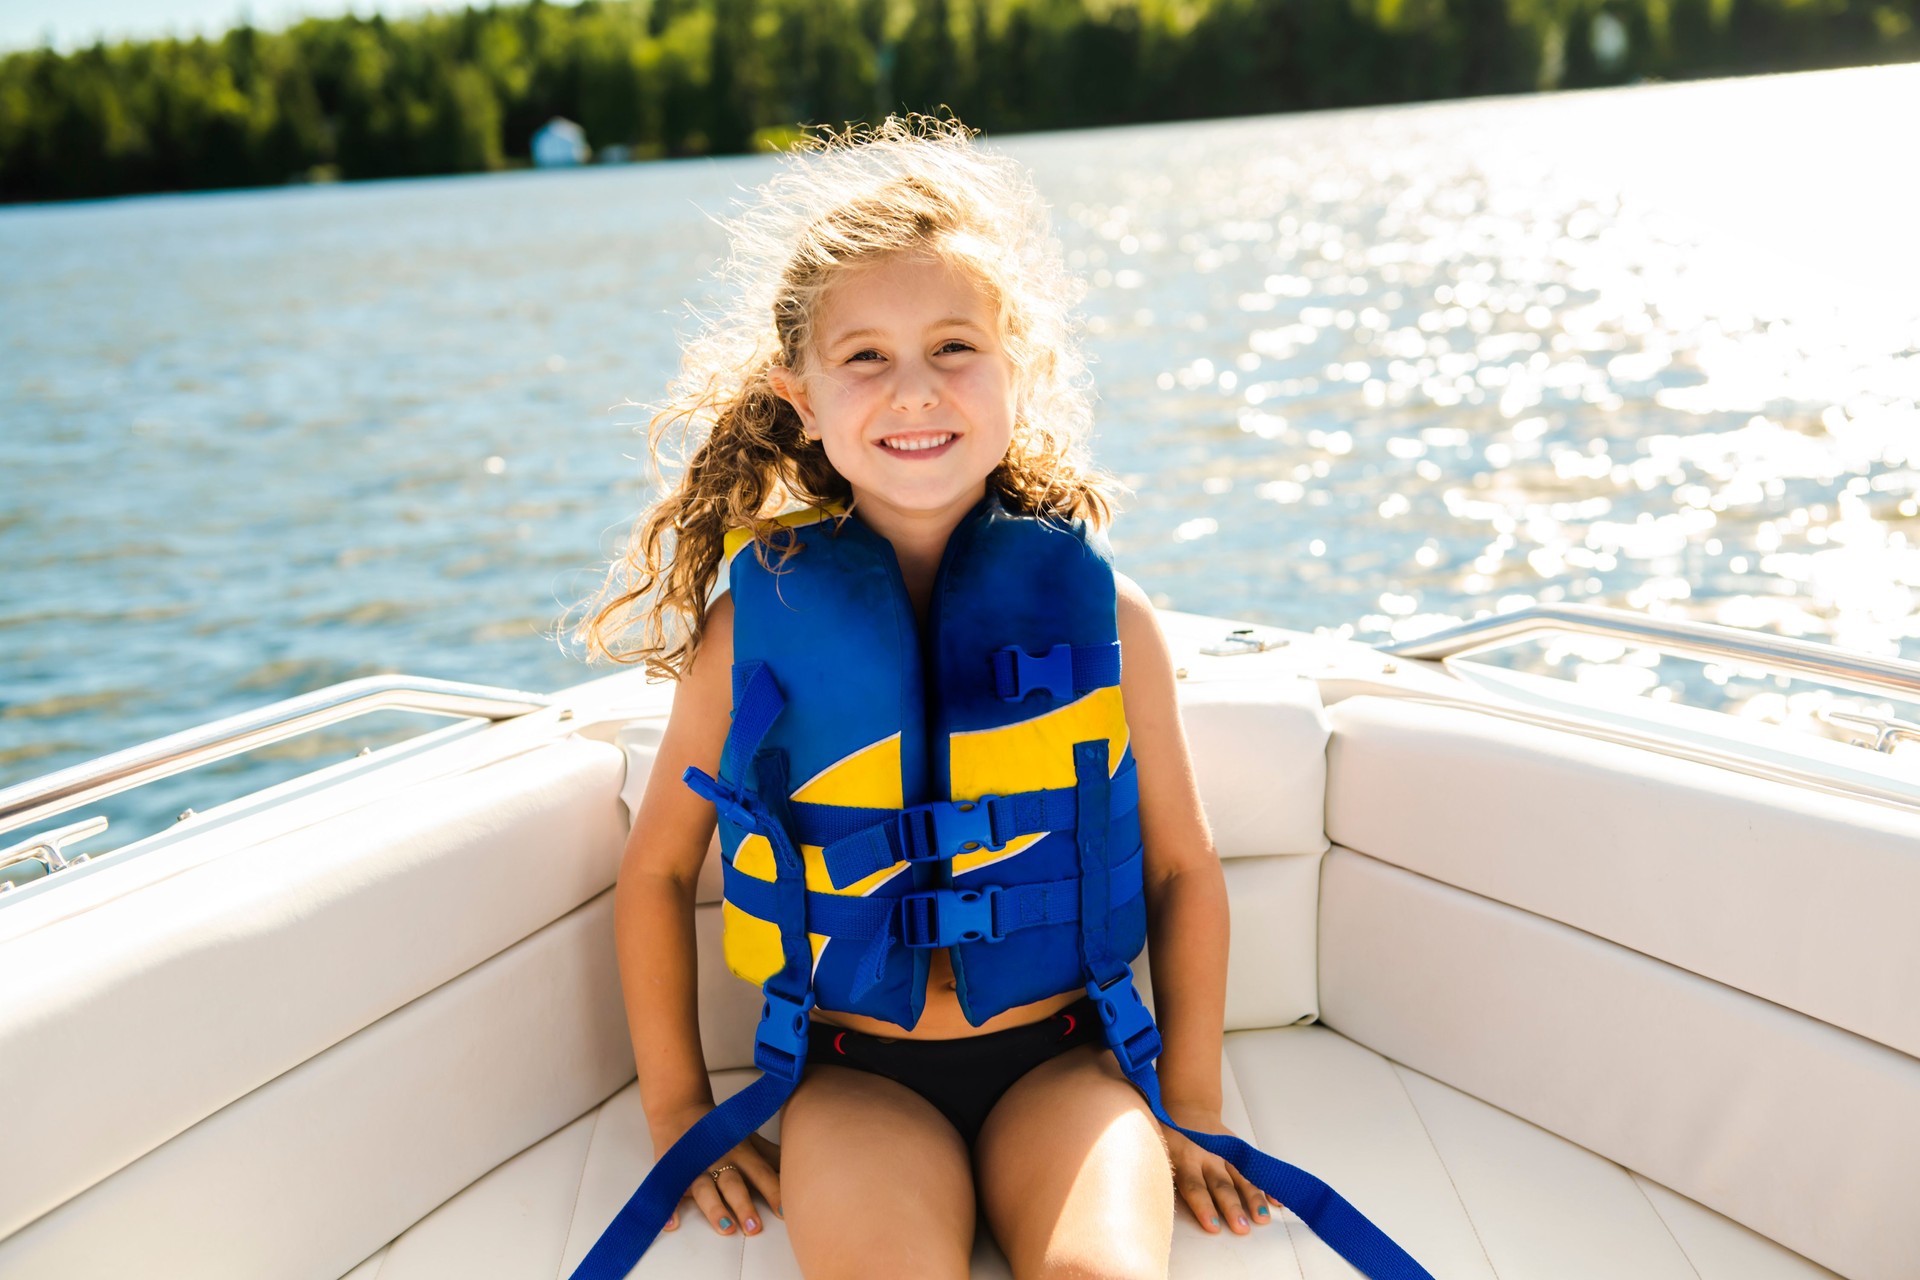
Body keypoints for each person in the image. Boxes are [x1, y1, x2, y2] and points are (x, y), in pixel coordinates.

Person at [572, 115, 1411, 1280]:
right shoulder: (749, 629)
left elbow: (1180, 867)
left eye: (955, 346)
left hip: (1066, 1061)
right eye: (864, 356)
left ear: (1017, 367)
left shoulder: (1112, 621)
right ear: (801, 396)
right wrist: (676, 1113)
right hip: (856, 1079)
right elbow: (659, 869)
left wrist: (1193, 1101)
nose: (913, 390)